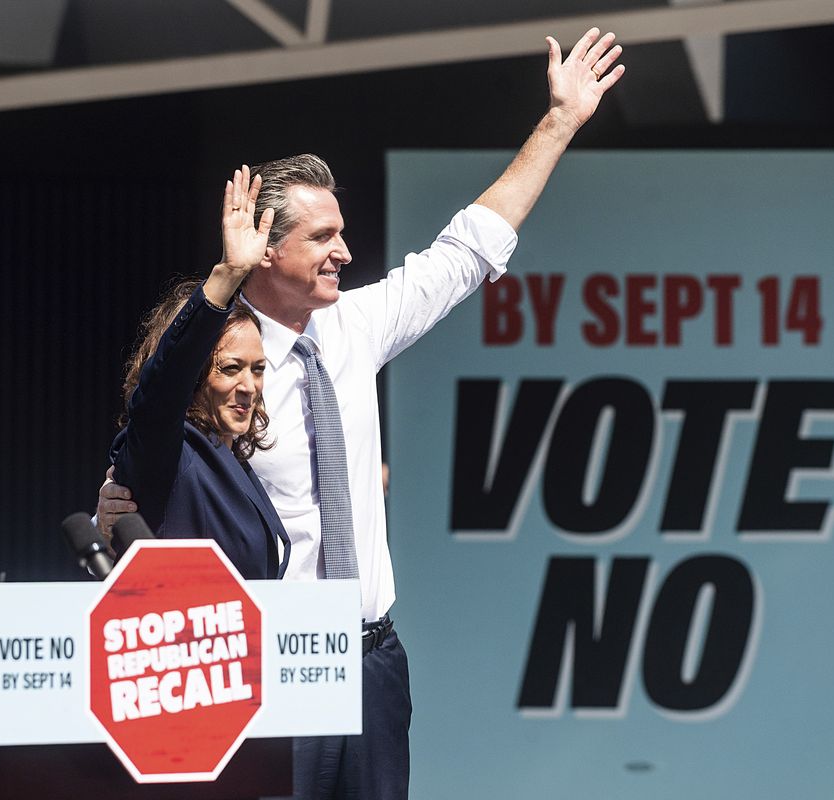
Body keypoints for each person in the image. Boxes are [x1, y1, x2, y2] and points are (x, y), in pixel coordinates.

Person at [99, 28, 625, 799]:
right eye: (323, 237)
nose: (346, 251)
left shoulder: (355, 327)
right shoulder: (219, 371)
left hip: (372, 660)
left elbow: (469, 249)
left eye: (343, 232)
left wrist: (561, 121)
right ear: (265, 252)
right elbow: (153, 414)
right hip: (270, 662)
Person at [108, 165, 289, 580]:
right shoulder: (168, 451)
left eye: (258, 369)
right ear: (194, 377)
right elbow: (162, 388)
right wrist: (228, 275)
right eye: (229, 368)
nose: (249, 386)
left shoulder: (231, 459)